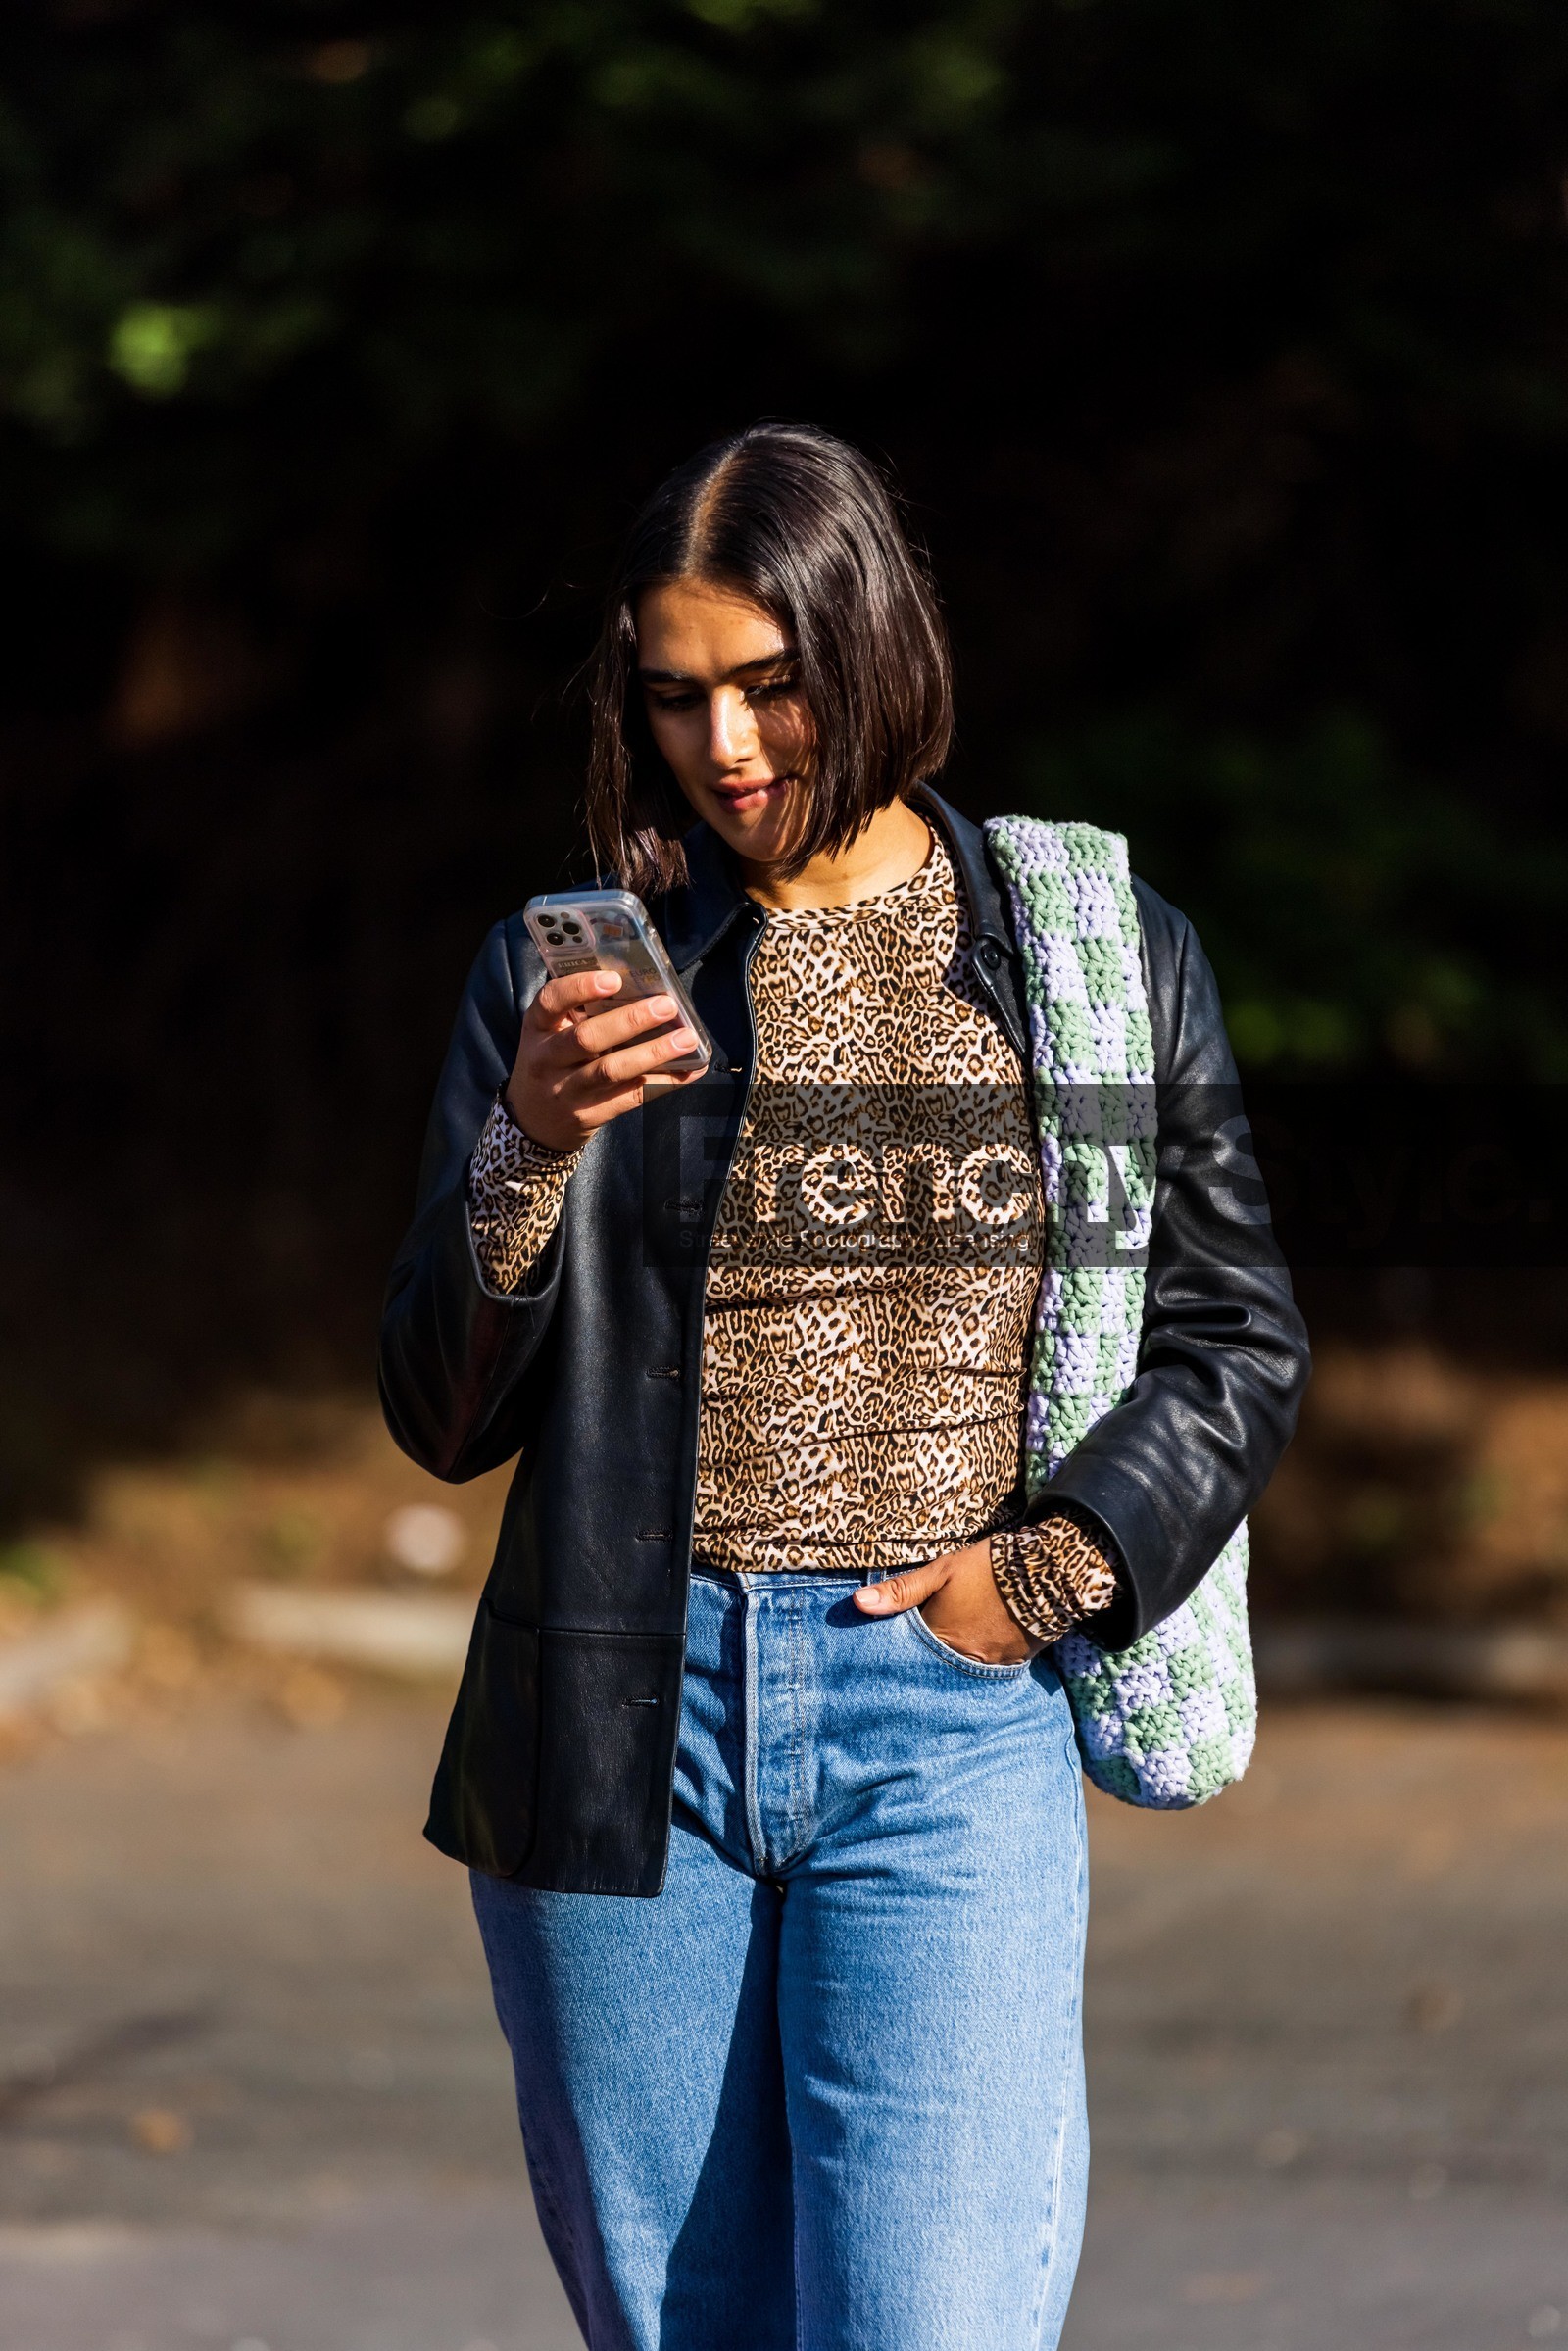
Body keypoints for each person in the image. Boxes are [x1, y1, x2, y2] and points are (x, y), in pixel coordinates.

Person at [379, 421, 1310, 2351]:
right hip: (625, 1717)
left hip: (942, 1722)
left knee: (929, 2319)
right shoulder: (571, 983)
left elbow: (1232, 1340)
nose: (723, 748)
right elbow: (441, 1417)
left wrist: (1036, 1576)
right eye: (672, 700)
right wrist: (526, 1150)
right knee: (687, 2328)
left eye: (767, 686)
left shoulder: (1076, 959)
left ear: (870, 643)